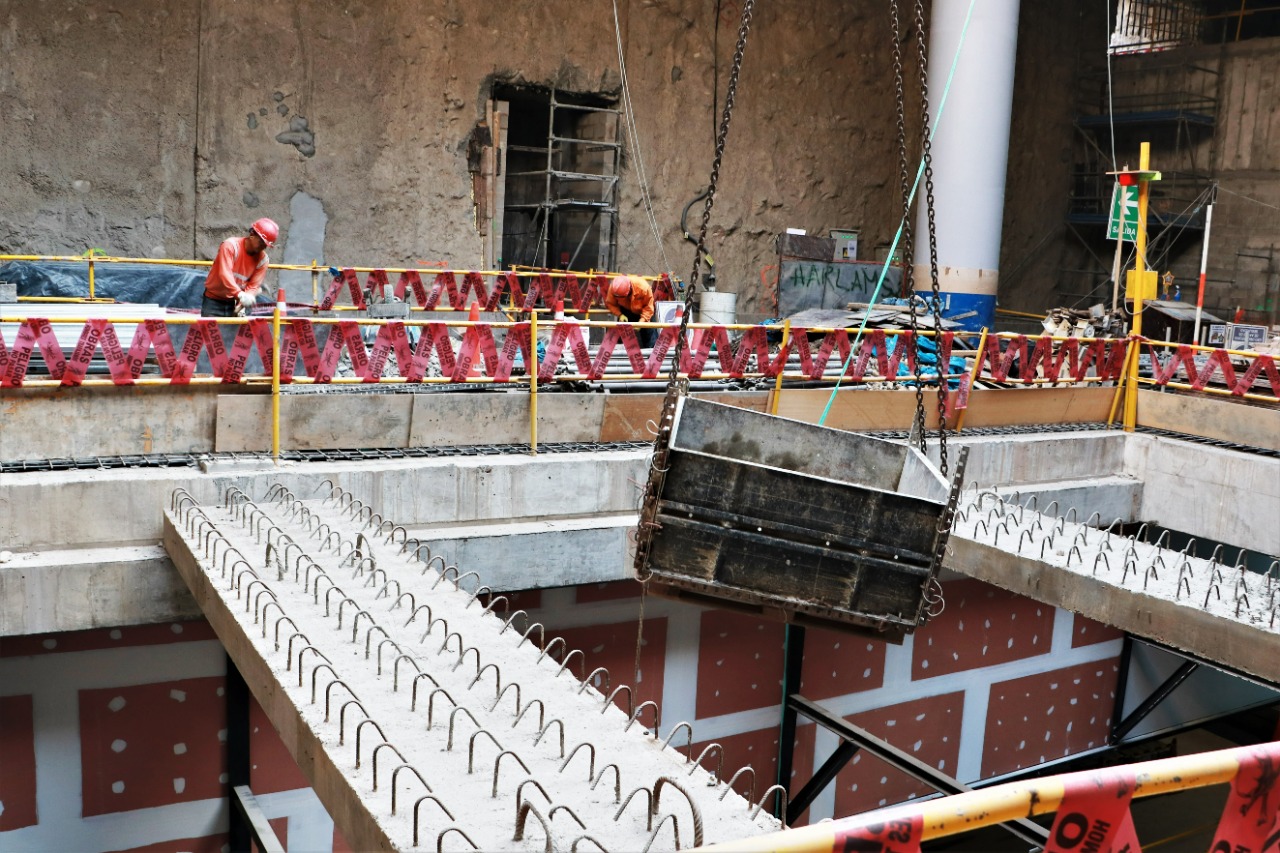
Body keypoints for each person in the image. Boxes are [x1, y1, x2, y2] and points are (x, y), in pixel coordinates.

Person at [201, 218, 278, 317]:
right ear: (252, 235)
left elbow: (253, 286)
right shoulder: (230, 246)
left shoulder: (263, 260)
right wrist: (240, 295)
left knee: (235, 332)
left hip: (234, 301)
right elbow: (225, 274)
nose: (263, 247)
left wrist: (242, 305)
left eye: (266, 245)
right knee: (210, 332)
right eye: (261, 242)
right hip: (213, 300)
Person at [604, 274, 656, 348]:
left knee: (650, 338)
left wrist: (641, 322)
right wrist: (620, 315)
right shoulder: (613, 288)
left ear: (630, 290)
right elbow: (610, 304)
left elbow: (648, 308)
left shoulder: (643, 288)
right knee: (624, 337)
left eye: (623, 297)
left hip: (643, 312)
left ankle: (650, 355)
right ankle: (623, 355)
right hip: (626, 311)